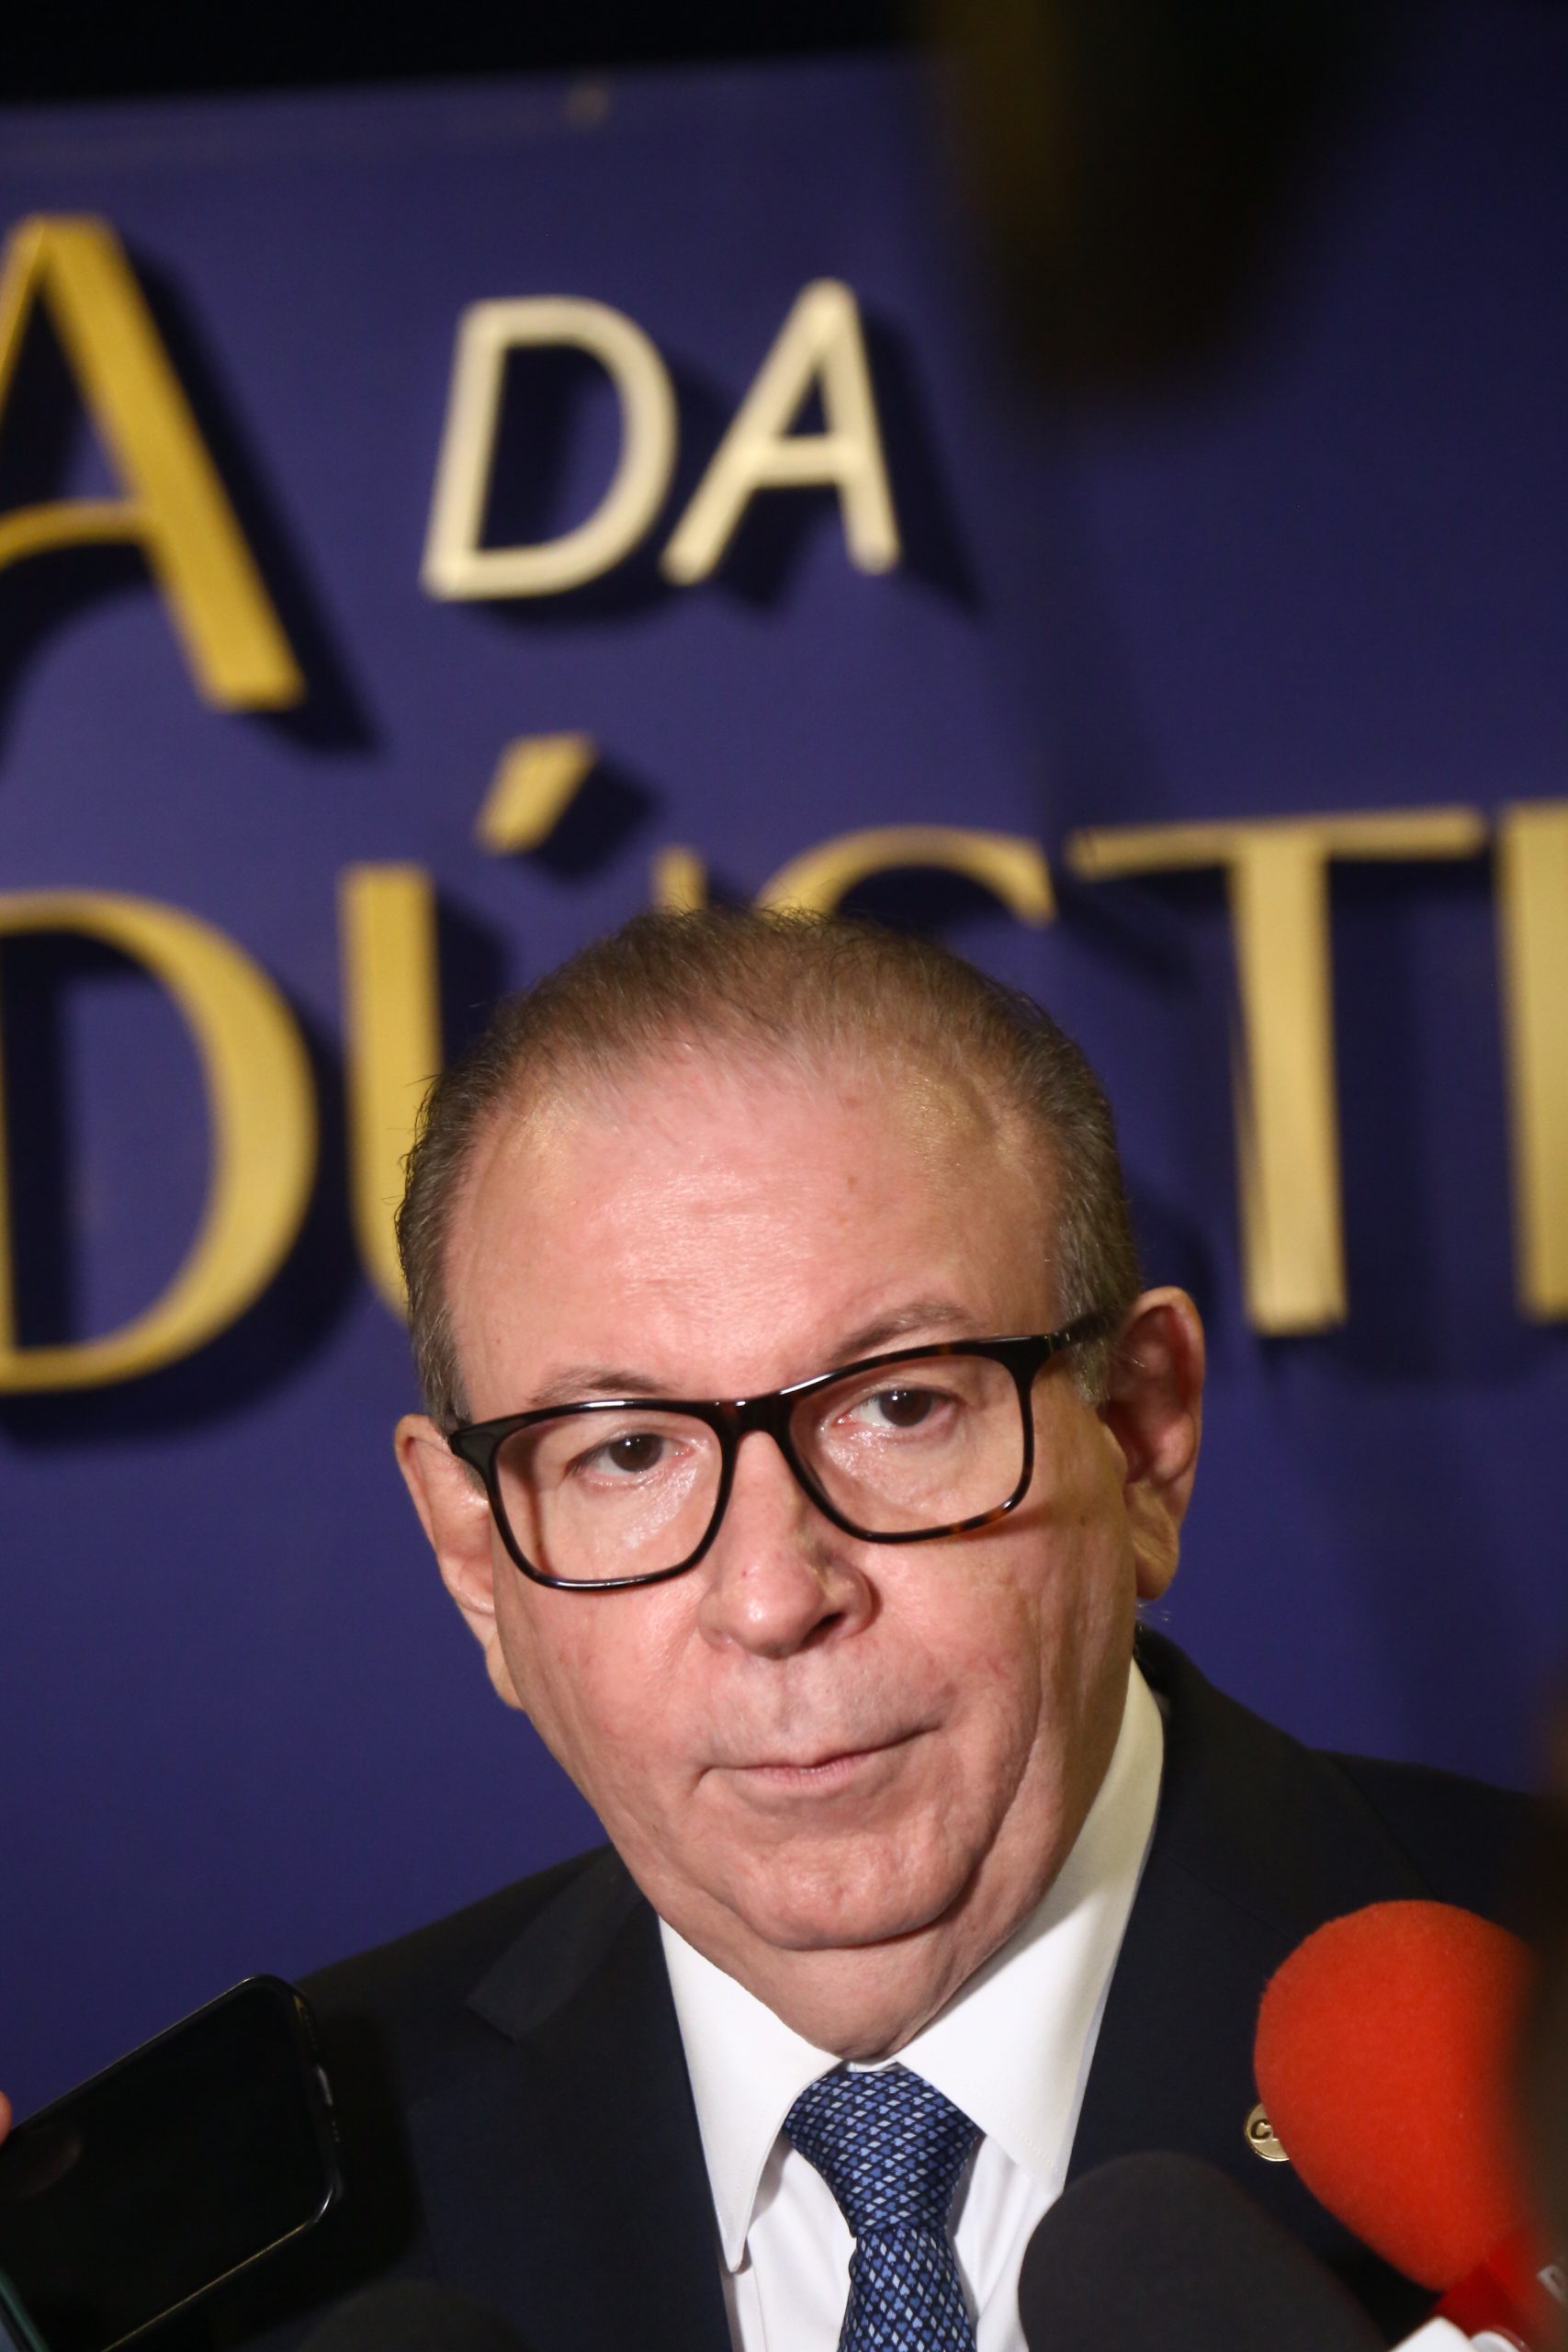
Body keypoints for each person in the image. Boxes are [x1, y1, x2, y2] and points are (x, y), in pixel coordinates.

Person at [7, 910, 1531, 2352]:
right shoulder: (227, 2281)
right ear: (476, 1562)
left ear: (1139, 1438)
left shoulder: (1543, 2026)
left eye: (901, 1407)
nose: (773, 1597)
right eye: (624, 1452)